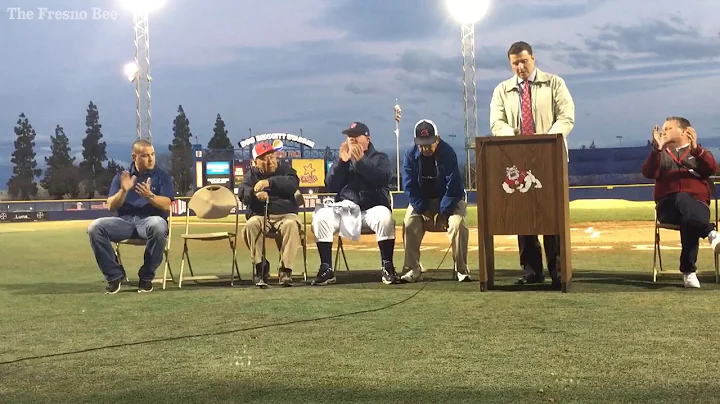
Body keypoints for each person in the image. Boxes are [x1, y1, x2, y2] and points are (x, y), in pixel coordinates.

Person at [489, 40, 575, 289]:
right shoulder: (502, 90)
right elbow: (497, 123)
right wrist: (515, 140)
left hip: (551, 159)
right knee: (523, 214)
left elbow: (567, 117)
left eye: (524, 61)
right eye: (515, 63)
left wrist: (546, 141)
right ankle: (532, 271)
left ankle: (558, 269)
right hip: (518, 161)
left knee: (552, 214)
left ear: (533, 59)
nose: (520, 67)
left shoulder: (554, 83)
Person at [310, 121, 399, 285]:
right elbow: (330, 185)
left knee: (385, 217)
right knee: (321, 215)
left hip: (372, 208)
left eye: (355, 136)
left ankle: (387, 266)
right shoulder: (344, 159)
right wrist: (342, 163)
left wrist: (361, 161)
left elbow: (382, 179)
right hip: (347, 209)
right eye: (349, 137)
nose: (351, 140)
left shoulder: (380, 158)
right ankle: (326, 268)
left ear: (367, 139)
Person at [87, 140, 175, 294]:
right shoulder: (122, 177)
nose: (151, 159)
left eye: (152, 155)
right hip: (125, 222)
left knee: (159, 225)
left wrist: (150, 196)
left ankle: (146, 277)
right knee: (95, 227)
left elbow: (167, 204)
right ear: (134, 156)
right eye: (146, 155)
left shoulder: (163, 176)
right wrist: (123, 191)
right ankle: (114, 276)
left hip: (150, 221)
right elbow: (111, 206)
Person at [641, 117, 720, 288]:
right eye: (663, 129)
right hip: (667, 207)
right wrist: (656, 149)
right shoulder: (660, 154)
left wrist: (696, 150)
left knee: (689, 217)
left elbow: (712, 169)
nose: (663, 132)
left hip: (697, 206)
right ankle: (709, 234)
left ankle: (689, 272)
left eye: (668, 128)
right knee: (681, 198)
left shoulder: (700, 153)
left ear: (685, 131)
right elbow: (648, 172)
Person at [400, 119, 470, 282]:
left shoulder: (448, 153)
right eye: (421, 144)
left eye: (429, 143)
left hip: (449, 199)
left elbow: (453, 186)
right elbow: (410, 187)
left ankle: (461, 269)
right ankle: (413, 269)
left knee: (457, 224)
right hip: (423, 200)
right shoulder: (410, 156)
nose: (425, 148)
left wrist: (444, 213)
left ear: (437, 139)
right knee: (409, 222)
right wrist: (424, 210)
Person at [238, 141, 302, 287]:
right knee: (250, 225)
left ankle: (285, 270)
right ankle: (261, 267)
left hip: (286, 214)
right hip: (261, 216)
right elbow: (242, 193)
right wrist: (254, 194)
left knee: (291, 225)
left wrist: (269, 182)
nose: (270, 161)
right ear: (255, 162)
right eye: (264, 158)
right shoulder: (251, 175)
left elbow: (292, 184)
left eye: (272, 157)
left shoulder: (286, 170)